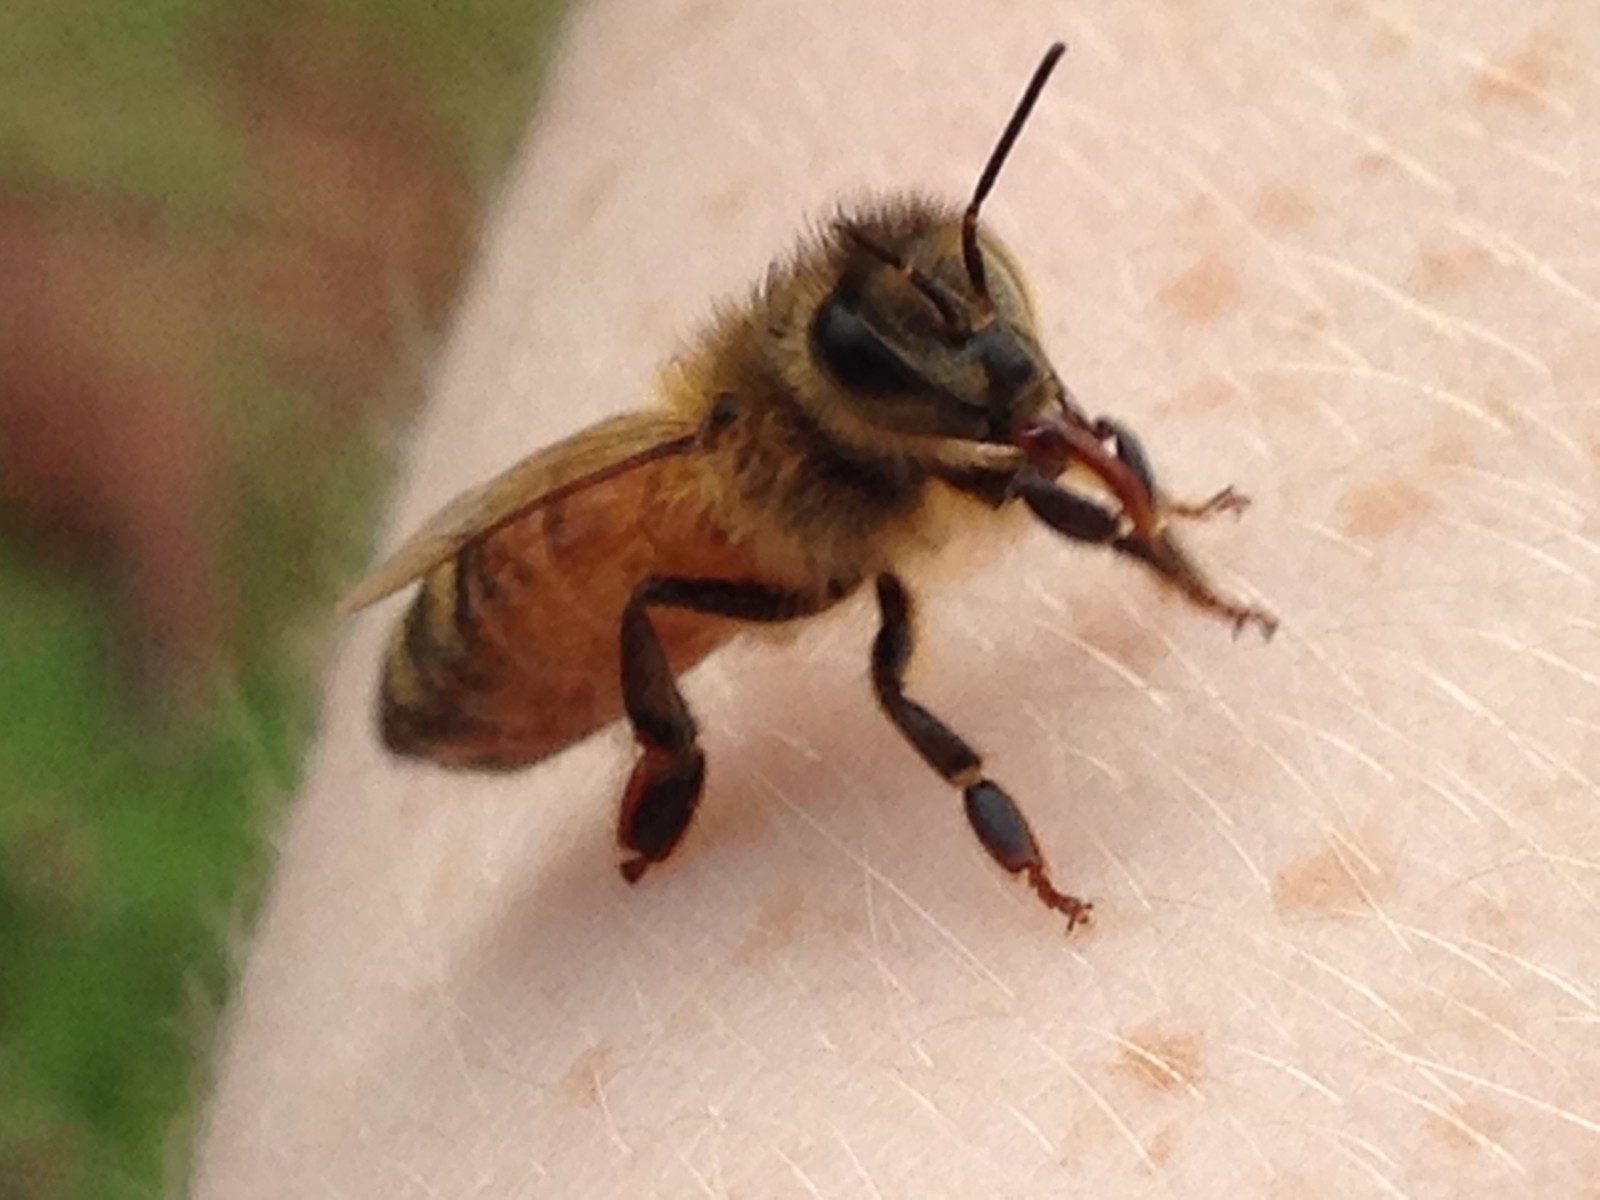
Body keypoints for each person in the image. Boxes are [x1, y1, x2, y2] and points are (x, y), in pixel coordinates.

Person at [193, 2, 1599, 1194]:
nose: (998, 368)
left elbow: (1056, 465)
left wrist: (1154, 518)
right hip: (500, 643)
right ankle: (675, 759)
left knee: (1033, 503)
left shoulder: (929, 423)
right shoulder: (756, 448)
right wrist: (676, 745)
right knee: (868, 668)